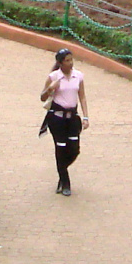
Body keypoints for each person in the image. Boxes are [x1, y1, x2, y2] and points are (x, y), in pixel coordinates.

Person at [39, 48, 88, 194]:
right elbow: (42, 97)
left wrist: (85, 116)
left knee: (74, 149)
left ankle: (62, 171)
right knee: (60, 148)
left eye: (71, 60)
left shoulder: (78, 76)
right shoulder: (53, 77)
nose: (70, 63)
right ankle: (65, 182)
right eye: (67, 61)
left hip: (72, 118)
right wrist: (50, 89)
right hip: (57, 119)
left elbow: (82, 97)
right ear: (60, 63)